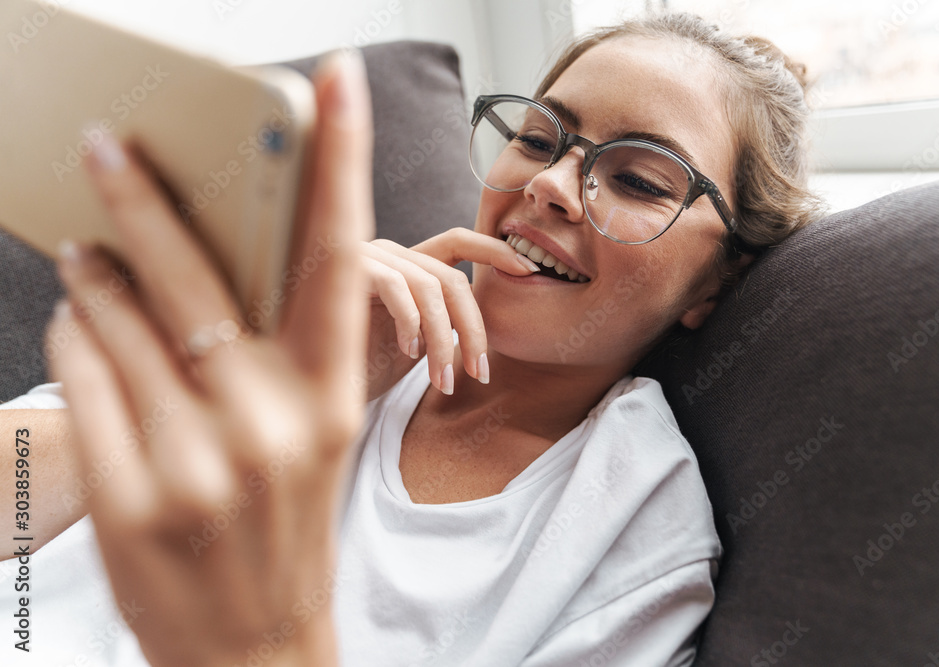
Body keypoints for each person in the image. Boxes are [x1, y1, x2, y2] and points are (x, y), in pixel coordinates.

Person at [0, 12, 824, 666]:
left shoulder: (635, 523)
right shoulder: (309, 312)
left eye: (639, 180)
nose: (548, 184)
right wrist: (268, 379)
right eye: (538, 139)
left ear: (715, 282)